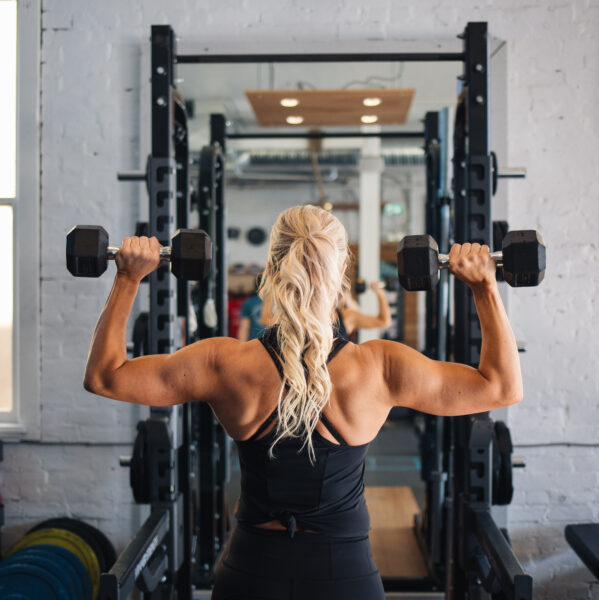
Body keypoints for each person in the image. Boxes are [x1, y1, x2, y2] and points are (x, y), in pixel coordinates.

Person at [83, 204, 522, 600]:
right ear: (341, 274)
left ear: (270, 268)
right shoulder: (381, 368)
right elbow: (501, 387)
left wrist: (127, 278)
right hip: (345, 577)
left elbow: (105, 377)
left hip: (250, 573)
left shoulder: (223, 363)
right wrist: (484, 286)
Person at [237, 275, 267, 342]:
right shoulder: (278, 302)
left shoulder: (249, 302)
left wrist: (242, 348)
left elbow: (244, 328)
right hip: (275, 347)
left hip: (255, 345)